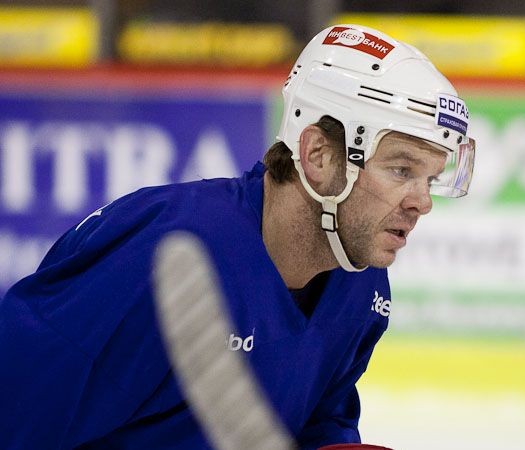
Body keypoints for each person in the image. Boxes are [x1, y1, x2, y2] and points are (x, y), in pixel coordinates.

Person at [0, 24, 475, 449]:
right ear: (318, 155)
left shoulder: (358, 280)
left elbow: (316, 421)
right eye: (401, 169)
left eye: (430, 178)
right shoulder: (158, 262)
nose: (422, 202)